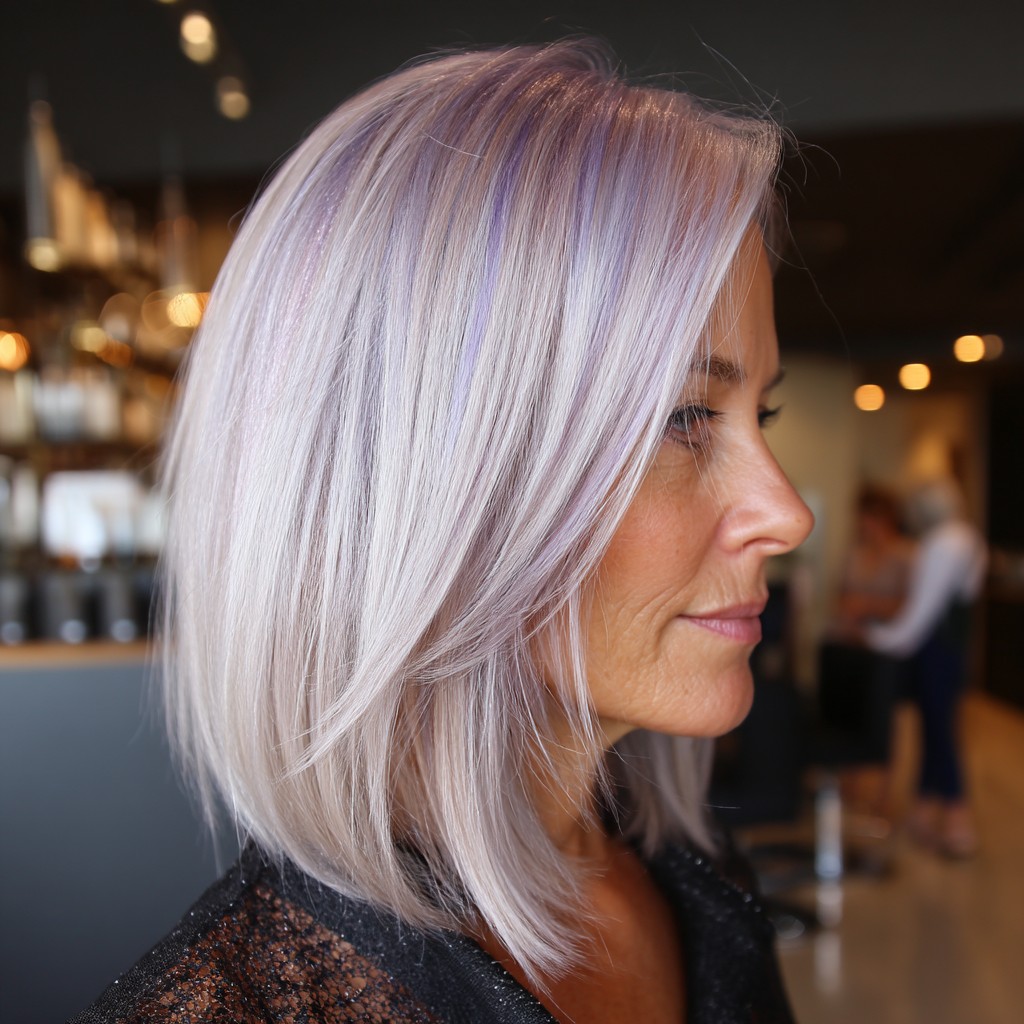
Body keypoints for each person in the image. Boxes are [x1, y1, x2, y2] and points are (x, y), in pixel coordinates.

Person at [73, 41, 813, 1024]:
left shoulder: (695, 881)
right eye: (682, 419)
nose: (787, 513)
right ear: (431, 488)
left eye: (760, 414)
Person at [864, 478, 987, 858]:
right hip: (953, 648)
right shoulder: (969, 537)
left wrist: (876, 637)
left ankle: (958, 820)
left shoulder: (942, 543)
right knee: (935, 728)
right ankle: (922, 811)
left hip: (936, 649)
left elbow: (920, 616)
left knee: (940, 731)